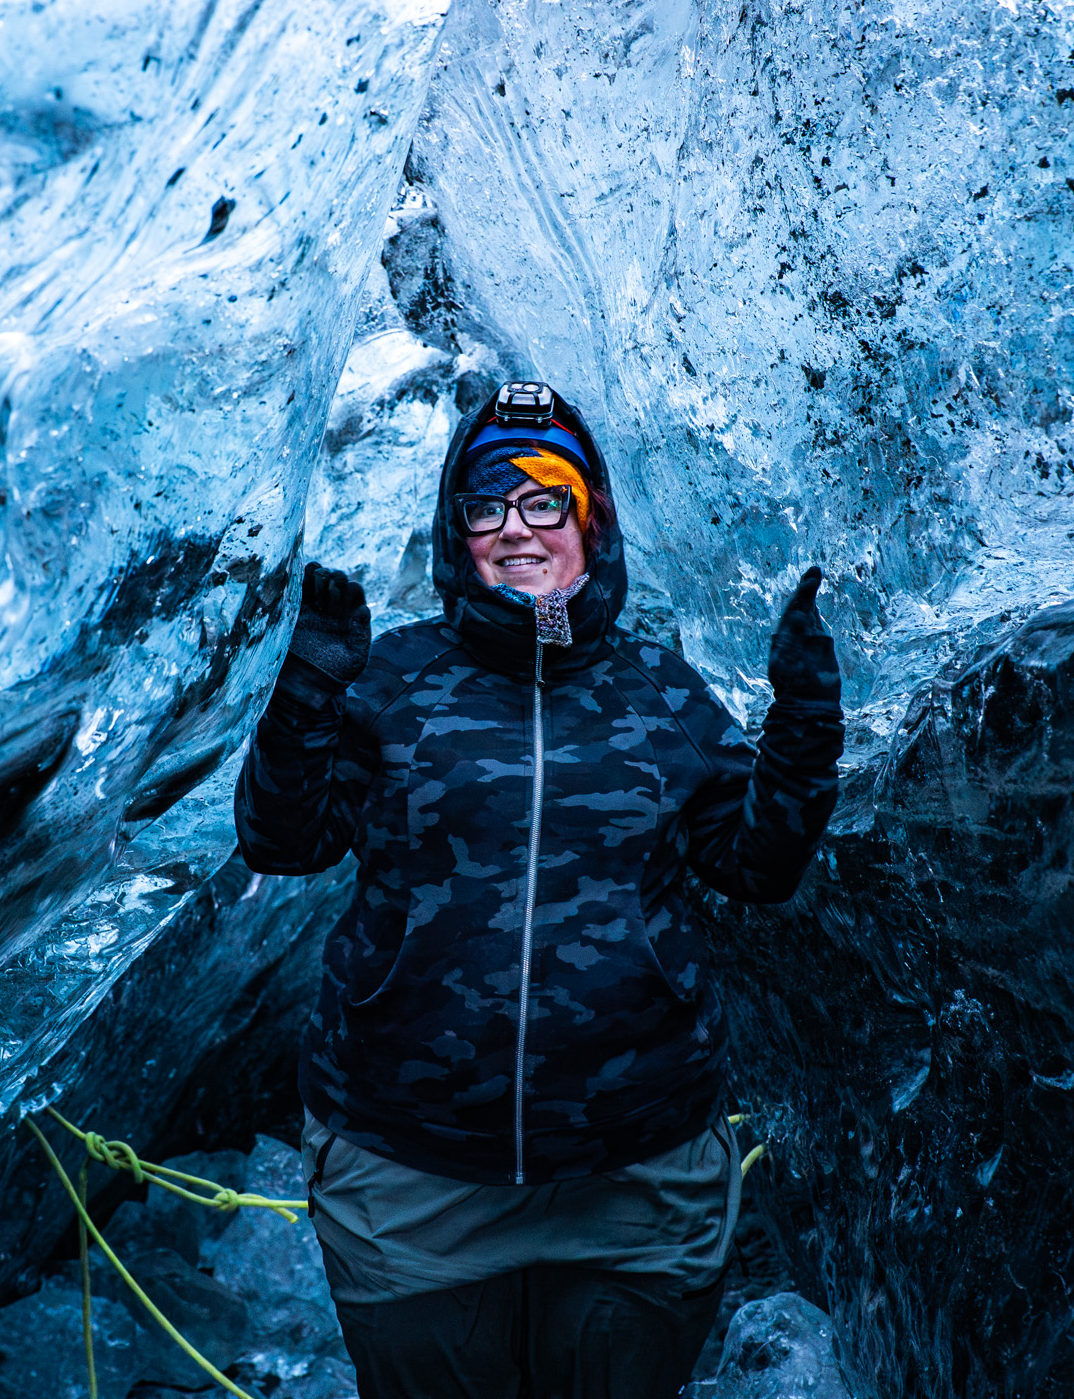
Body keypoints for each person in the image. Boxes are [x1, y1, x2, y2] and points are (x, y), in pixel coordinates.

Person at [235, 381, 844, 1398]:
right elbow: (279, 841)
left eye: (543, 498)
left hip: (634, 1182)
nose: (514, 527)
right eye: (486, 505)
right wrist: (304, 688)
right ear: (457, 530)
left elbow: (759, 866)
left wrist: (806, 721)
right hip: (412, 1182)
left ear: (589, 519)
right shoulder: (392, 682)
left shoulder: (660, 692)